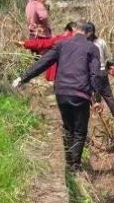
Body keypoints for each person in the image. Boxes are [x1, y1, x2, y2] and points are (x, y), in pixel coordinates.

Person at [12, 21, 102, 172]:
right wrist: (97, 99)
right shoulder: (92, 48)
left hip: (62, 92)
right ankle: (75, 165)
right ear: (89, 34)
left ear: (75, 31)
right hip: (81, 93)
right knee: (80, 131)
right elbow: (95, 74)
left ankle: (69, 162)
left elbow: (43, 62)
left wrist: (22, 78)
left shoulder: (62, 44)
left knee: (68, 127)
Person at [82, 21, 114, 117]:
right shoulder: (101, 42)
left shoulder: (84, 44)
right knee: (109, 97)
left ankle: (100, 120)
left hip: (92, 74)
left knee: (95, 98)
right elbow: (108, 57)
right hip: (103, 72)